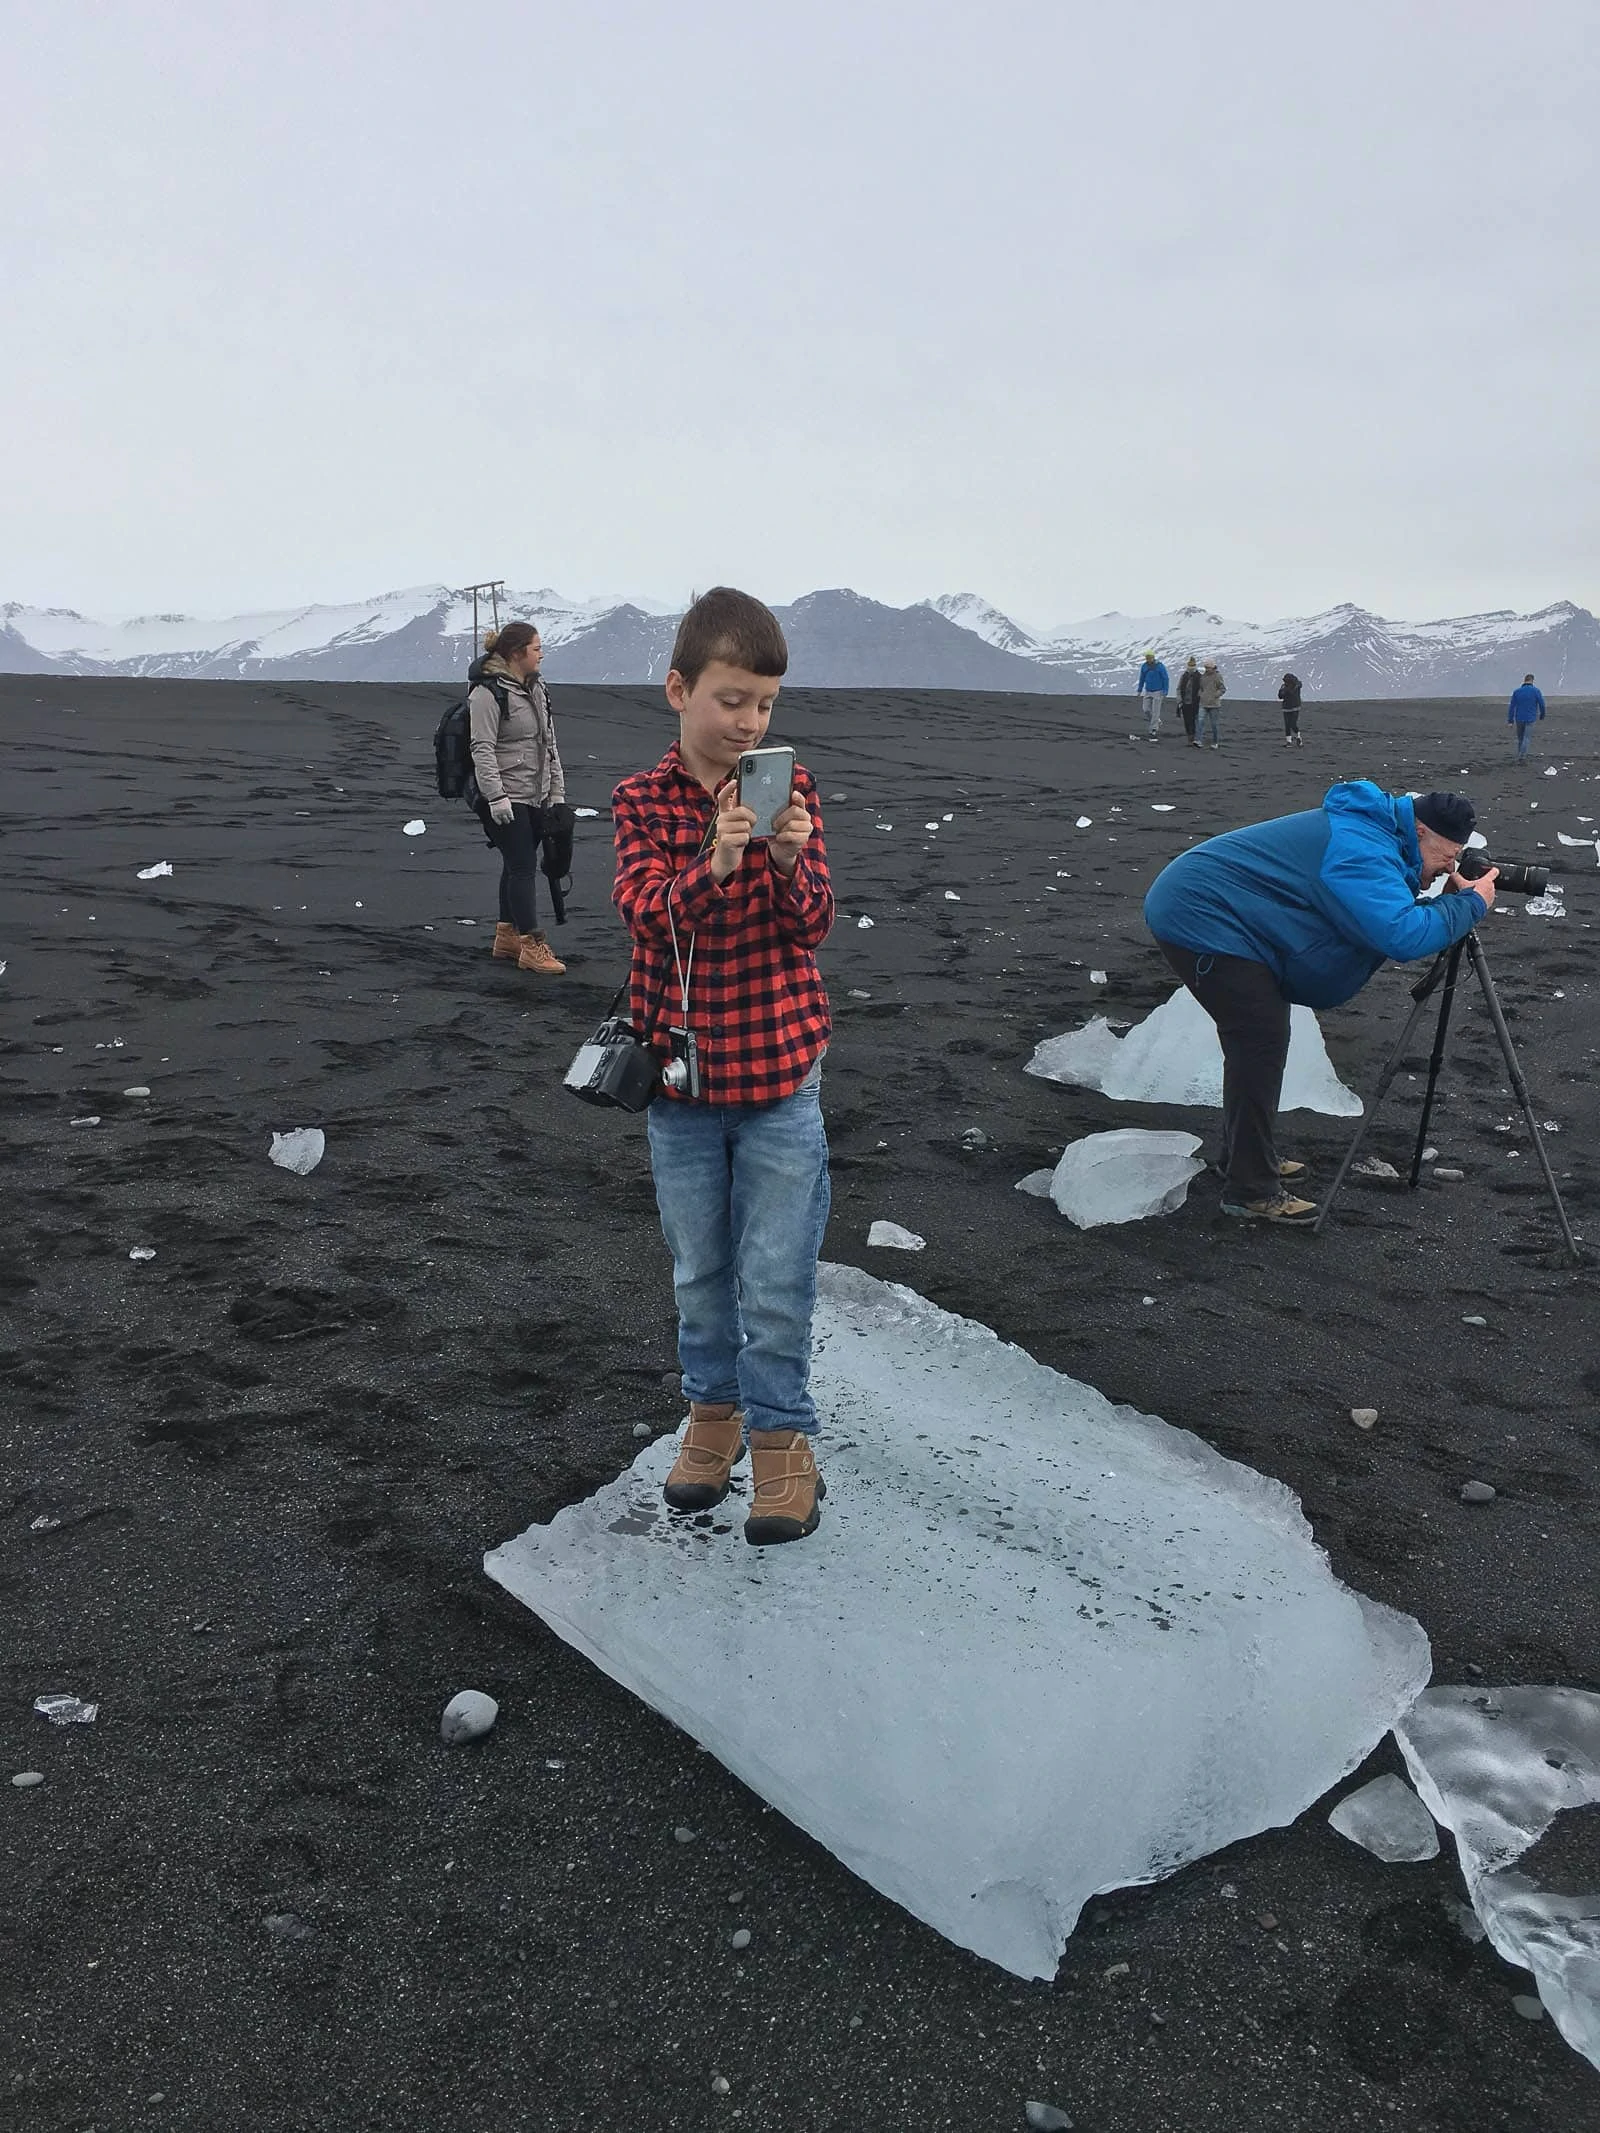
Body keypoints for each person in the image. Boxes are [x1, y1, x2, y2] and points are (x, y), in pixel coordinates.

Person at [612, 587, 835, 1546]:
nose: (749, 723)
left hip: (782, 1075)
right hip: (683, 1085)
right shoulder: (640, 801)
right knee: (701, 1270)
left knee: (778, 1273)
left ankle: (785, 1441)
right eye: (732, 699)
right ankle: (713, 1417)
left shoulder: (794, 790)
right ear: (679, 690)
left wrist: (787, 864)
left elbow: (815, 923)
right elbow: (645, 915)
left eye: (766, 705)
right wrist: (713, 866)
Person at [1143, 785, 1497, 1224]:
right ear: (1419, 830)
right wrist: (1470, 905)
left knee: (1257, 1042)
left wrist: (1450, 902)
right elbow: (1401, 935)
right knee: (1259, 1039)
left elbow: (1383, 913)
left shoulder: (1380, 835)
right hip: (1199, 917)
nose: (1448, 868)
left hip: (1225, 914)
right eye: (1446, 858)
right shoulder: (1363, 848)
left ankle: (1244, 1159)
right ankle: (1250, 1190)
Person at [470, 623, 568, 975]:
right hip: (504, 797)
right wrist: (496, 798)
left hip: (535, 795)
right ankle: (531, 944)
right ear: (516, 654)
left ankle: (506, 936)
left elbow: (549, 743)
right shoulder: (487, 693)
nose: (541, 654)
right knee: (524, 866)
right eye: (536, 648)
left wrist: (555, 793)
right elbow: (482, 748)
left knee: (515, 864)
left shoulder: (537, 688)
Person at [1508, 674, 1546, 763]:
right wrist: (1542, 715)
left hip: (1519, 718)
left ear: (1524, 680)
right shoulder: (1536, 691)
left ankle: (1520, 754)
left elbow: (1512, 707)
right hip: (1530, 718)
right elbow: (1542, 704)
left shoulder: (1517, 692)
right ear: (1532, 680)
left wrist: (1510, 720)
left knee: (1520, 738)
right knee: (1526, 738)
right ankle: (1522, 755)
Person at [1134, 651, 1171, 740]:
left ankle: (1153, 729)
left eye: (1149, 657)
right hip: (1148, 691)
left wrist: (1165, 691)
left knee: (1155, 711)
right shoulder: (1144, 666)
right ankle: (1156, 721)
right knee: (1146, 709)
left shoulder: (1160, 666)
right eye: (1147, 657)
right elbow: (1142, 678)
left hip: (1158, 691)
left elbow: (1165, 678)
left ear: (1153, 657)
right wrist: (1139, 690)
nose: (1148, 659)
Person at [1197, 659, 1226, 747]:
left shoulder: (1217, 676)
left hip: (1214, 705)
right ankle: (1199, 740)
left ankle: (1215, 742)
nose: (1207, 669)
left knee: (1214, 724)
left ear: (1213, 667)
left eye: (1208, 667)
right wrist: (1200, 694)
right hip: (1203, 703)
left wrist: (1215, 695)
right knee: (1200, 722)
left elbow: (1222, 689)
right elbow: (1201, 688)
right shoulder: (1203, 677)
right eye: (1206, 667)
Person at [1177, 656, 1202, 746]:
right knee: (1187, 721)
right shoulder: (1184, 676)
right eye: (1190, 665)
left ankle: (1195, 738)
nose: (1191, 667)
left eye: (1193, 665)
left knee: (1195, 720)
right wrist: (1179, 700)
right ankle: (1190, 738)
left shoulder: (1199, 677)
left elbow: (1202, 689)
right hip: (1185, 702)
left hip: (1195, 703)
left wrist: (1200, 696)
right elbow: (1179, 688)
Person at [1277, 671, 1304, 746]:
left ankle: (1298, 736)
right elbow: (1280, 696)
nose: (1285, 682)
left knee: (1293, 724)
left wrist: (1285, 690)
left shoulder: (1297, 686)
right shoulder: (1284, 686)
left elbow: (1291, 693)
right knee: (1287, 725)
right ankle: (1289, 741)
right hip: (1286, 708)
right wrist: (1282, 691)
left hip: (1295, 707)